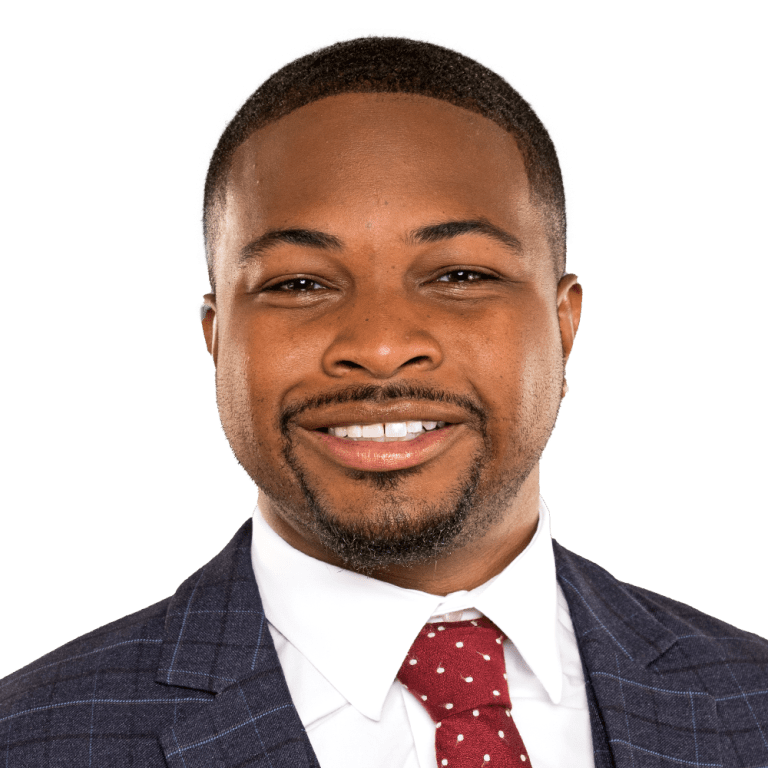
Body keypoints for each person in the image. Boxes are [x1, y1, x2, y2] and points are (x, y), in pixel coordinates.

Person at [2, 31, 766, 768]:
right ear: (217, 336)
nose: (377, 344)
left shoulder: (751, 701)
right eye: (298, 283)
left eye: (460, 275)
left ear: (564, 325)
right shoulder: (31, 739)